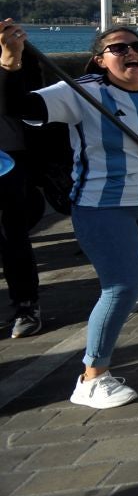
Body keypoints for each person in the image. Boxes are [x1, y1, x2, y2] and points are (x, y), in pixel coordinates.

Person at [0, 23, 138, 409]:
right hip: (103, 205)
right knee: (123, 287)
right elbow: (19, 108)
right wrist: (10, 61)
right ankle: (92, 377)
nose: (132, 53)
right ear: (99, 59)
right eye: (119, 48)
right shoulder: (79, 93)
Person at [0, 39, 45, 338]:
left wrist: (9, 63)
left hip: (7, 158)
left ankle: (26, 304)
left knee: (11, 233)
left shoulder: (15, 49)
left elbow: (23, 101)